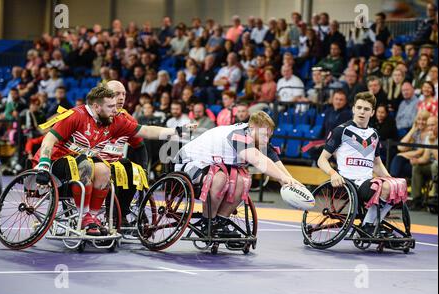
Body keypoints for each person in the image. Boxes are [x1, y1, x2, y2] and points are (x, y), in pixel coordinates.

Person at [33, 86, 190, 235]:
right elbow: (48, 139)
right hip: (55, 161)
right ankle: (83, 215)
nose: (115, 111)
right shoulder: (76, 115)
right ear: (96, 106)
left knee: (103, 169)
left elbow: (146, 130)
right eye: (110, 107)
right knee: (86, 165)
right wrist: (44, 166)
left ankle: (91, 218)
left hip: (80, 162)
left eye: (116, 106)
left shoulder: (114, 120)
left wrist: (176, 131)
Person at [174, 111, 302, 236]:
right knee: (219, 177)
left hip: (212, 165)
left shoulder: (256, 137)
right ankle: (208, 222)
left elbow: (274, 160)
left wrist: (289, 181)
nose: (267, 140)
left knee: (243, 180)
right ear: (252, 127)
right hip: (189, 162)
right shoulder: (238, 135)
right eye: (264, 135)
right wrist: (282, 177)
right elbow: (258, 160)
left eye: (269, 136)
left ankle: (220, 221)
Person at [317, 92, 404, 234]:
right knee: (387, 188)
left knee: (398, 186)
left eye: (366, 109)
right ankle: (368, 225)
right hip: (349, 182)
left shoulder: (374, 134)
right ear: (353, 109)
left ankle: (374, 223)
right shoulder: (341, 130)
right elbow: (321, 160)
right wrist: (333, 173)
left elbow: (377, 164)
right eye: (359, 108)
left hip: (368, 182)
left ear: (373, 112)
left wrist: (391, 179)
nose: (362, 112)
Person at [390, 110, 431, 179]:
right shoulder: (417, 133)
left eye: (424, 120)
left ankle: (392, 182)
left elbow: (419, 152)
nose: (421, 122)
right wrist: (412, 129)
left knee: (399, 161)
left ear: (428, 121)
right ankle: (394, 182)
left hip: (424, 163)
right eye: (419, 119)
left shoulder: (430, 134)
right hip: (413, 160)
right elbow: (400, 147)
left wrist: (402, 155)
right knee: (400, 163)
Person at [409, 116, 438, 210]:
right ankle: (416, 199)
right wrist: (417, 160)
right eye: (428, 125)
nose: (430, 128)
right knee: (417, 167)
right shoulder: (428, 137)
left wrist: (433, 143)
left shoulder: (432, 139)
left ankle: (435, 197)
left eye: (433, 125)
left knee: (435, 165)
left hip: (436, 166)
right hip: (431, 166)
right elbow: (426, 157)